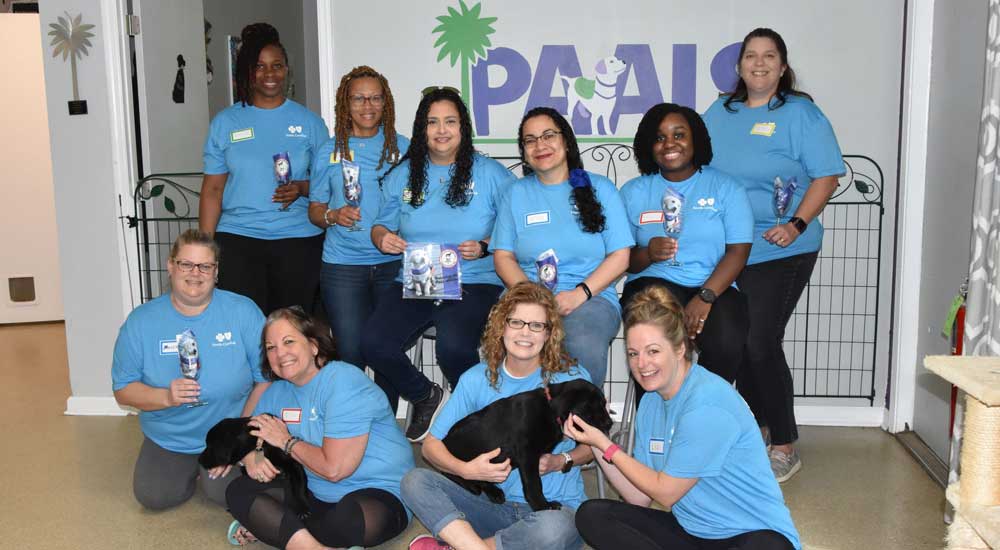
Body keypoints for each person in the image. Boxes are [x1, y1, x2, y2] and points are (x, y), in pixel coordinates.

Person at [703, 27, 844, 481]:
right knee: (736, 343)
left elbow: (826, 177)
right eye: (750, 56)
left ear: (783, 67)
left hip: (782, 246)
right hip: (730, 249)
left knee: (760, 341)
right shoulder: (720, 111)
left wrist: (796, 223)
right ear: (739, 65)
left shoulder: (801, 114)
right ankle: (756, 430)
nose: (758, 63)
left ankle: (783, 443)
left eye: (769, 56)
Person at [567, 286, 801, 550]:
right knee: (593, 515)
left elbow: (666, 492)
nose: (641, 364)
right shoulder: (651, 403)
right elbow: (639, 497)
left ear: (679, 349)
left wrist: (610, 447)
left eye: (653, 351)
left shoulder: (707, 402)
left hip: (748, 535)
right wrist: (598, 440)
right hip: (692, 532)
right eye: (633, 353)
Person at [362, 87, 514, 441]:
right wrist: (382, 237)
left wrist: (486, 245)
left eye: (450, 121)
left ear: (463, 127)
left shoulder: (492, 174)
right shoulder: (403, 175)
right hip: (416, 281)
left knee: (454, 348)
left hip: (473, 282)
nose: (441, 130)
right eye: (432, 122)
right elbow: (379, 226)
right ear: (421, 129)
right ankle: (425, 396)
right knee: (372, 343)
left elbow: (516, 228)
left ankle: (480, 417)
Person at [401, 282, 590, 550]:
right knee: (414, 481)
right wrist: (467, 470)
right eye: (516, 322)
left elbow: (595, 447)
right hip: (491, 507)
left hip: (553, 511)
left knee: (554, 530)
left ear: (549, 334)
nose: (526, 333)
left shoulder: (573, 380)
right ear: (501, 326)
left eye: (536, 325)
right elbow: (431, 448)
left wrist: (561, 460)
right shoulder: (475, 379)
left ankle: (462, 544)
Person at [225, 307, 413, 549]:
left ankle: (284, 531)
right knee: (238, 491)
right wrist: (251, 456)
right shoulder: (276, 392)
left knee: (345, 520)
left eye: (289, 341)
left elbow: (334, 470)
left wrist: (286, 441)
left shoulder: (344, 381)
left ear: (314, 345)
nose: (280, 353)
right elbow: (241, 438)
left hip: (377, 491)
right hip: (313, 493)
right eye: (271, 347)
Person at [111, 229, 269, 510]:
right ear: (170, 266)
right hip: (170, 435)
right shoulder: (140, 322)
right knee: (154, 497)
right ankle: (188, 466)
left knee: (226, 494)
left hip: (228, 430)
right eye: (186, 264)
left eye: (205, 266)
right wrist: (166, 398)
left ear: (216, 271)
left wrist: (239, 439)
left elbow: (265, 380)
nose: (195, 273)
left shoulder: (243, 312)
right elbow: (123, 391)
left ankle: (211, 470)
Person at [491, 106, 633, 387]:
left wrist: (579, 294)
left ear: (565, 141)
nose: (539, 145)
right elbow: (503, 256)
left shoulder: (600, 188)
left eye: (548, 136)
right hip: (525, 296)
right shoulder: (515, 194)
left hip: (590, 298)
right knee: (495, 345)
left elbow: (620, 256)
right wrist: (532, 297)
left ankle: (580, 427)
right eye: (530, 140)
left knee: (582, 343)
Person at [199, 23, 329, 315]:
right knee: (247, 329)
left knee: (293, 329)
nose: (270, 74)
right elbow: (213, 190)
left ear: (287, 70)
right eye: (260, 66)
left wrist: (301, 188)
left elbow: (328, 185)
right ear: (247, 71)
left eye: (277, 66)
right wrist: (205, 251)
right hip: (238, 242)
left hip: (298, 241)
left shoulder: (310, 123)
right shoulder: (225, 123)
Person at [619, 103, 752, 384]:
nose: (669, 144)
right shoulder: (633, 192)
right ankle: (655, 421)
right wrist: (647, 254)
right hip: (653, 283)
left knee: (726, 343)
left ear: (696, 140)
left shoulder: (726, 188)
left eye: (679, 135)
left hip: (715, 286)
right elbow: (622, 259)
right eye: (659, 137)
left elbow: (738, 252)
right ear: (648, 145)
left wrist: (705, 297)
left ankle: (704, 414)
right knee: (652, 345)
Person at [308, 66, 409, 386]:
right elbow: (314, 210)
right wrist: (333, 216)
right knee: (350, 352)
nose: (368, 106)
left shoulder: (404, 148)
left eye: (376, 98)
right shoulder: (329, 149)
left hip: (392, 263)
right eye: (359, 98)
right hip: (342, 265)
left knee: (386, 349)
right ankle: (354, 425)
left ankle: (385, 427)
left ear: (386, 103)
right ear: (345, 104)